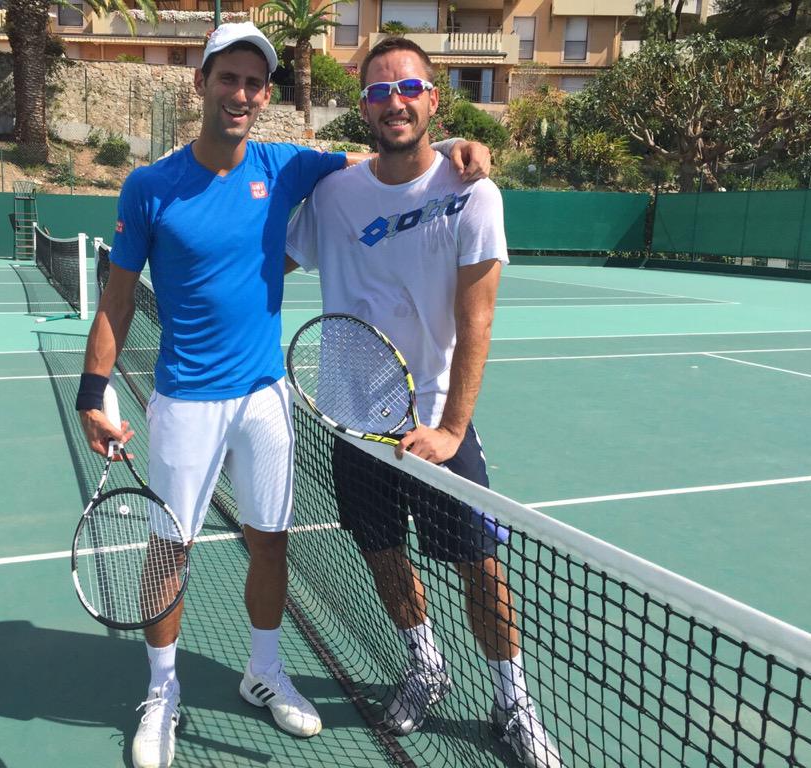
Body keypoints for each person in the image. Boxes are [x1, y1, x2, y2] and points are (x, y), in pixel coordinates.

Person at [75, 23, 493, 768]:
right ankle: (162, 691)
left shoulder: (289, 166)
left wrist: (465, 153)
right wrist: (92, 392)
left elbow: (387, 160)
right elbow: (118, 301)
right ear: (199, 83)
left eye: (252, 83)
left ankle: (263, 672)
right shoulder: (149, 188)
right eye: (227, 78)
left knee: (270, 544)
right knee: (171, 550)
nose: (239, 93)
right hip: (185, 402)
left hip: (266, 398)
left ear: (266, 96)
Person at [285, 37, 564, 768]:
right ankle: (425, 663)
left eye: (408, 89)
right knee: (381, 557)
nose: (394, 102)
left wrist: (450, 429)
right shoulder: (334, 195)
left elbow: (479, 319)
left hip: (439, 428)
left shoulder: (473, 190)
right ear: (364, 107)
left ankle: (513, 699)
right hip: (356, 425)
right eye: (378, 93)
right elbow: (264, 253)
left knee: (481, 569)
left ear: (434, 98)